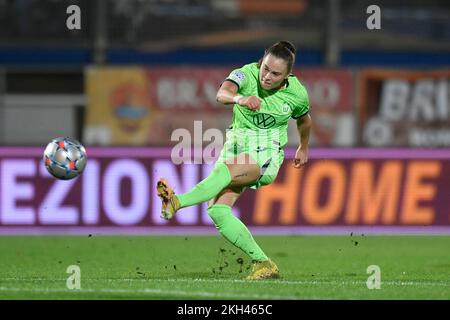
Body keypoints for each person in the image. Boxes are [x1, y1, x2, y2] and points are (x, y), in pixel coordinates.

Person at [157, 40, 311, 280]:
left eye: (276, 73)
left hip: (267, 151)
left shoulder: (297, 93)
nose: (267, 76)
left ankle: (177, 202)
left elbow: (304, 119)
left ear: (287, 75)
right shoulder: (245, 74)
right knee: (218, 211)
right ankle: (263, 263)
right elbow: (222, 93)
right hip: (237, 145)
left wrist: (303, 147)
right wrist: (240, 99)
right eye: (266, 68)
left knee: (224, 173)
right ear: (261, 62)